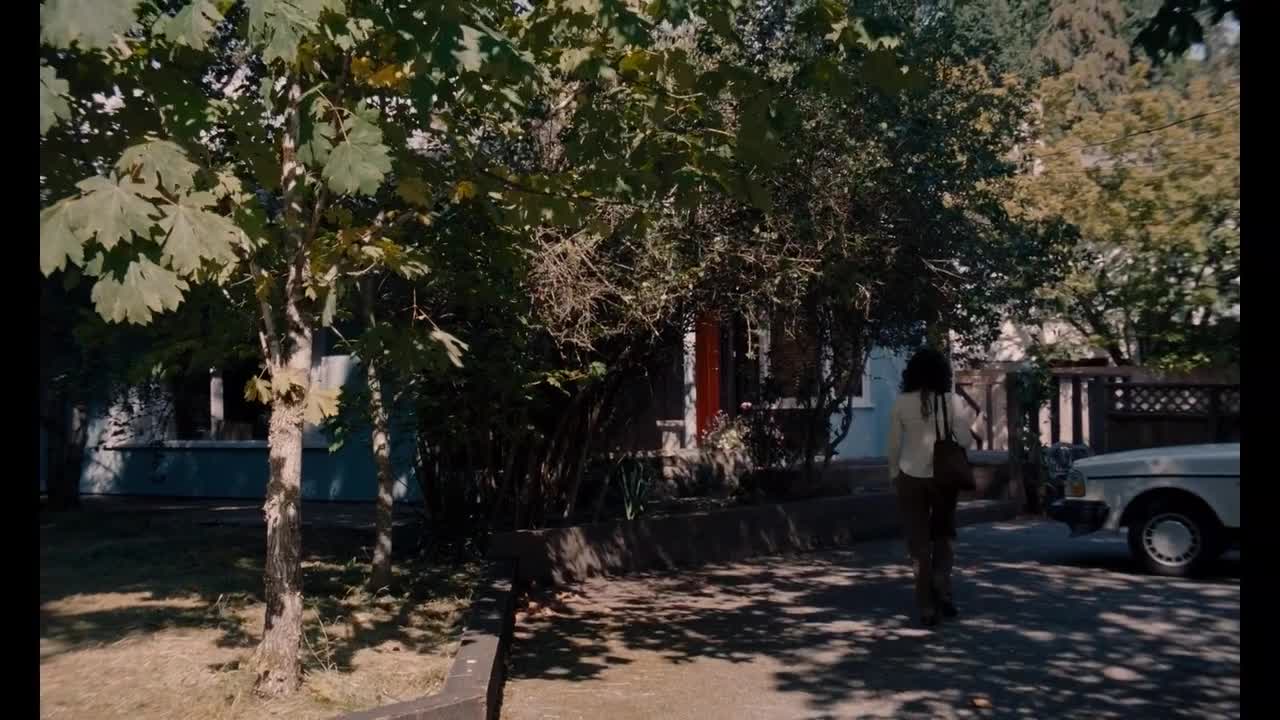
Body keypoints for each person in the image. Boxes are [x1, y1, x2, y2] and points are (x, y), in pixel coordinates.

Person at [886, 347, 976, 627]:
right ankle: (942, 584)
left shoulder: (901, 403)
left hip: (910, 477)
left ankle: (926, 606)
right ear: (942, 374)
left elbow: (893, 444)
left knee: (919, 543)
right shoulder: (952, 402)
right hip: (943, 478)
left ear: (911, 374)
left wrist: (894, 474)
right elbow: (965, 441)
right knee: (943, 534)